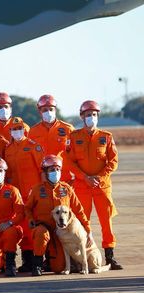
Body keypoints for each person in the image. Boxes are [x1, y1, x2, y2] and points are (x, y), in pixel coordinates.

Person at [64, 100, 122, 269]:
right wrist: (84, 177)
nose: (91, 118)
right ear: (82, 117)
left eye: (94, 115)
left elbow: (113, 161)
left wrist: (99, 177)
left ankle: (110, 256)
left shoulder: (106, 137)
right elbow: (69, 162)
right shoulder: (74, 137)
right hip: (82, 187)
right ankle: (80, 258)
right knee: (82, 222)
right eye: (88, 115)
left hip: (102, 187)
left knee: (106, 222)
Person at [25, 155, 92, 275]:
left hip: (62, 232)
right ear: (45, 172)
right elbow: (27, 208)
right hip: (45, 228)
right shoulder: (37, 189)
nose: (55, 172)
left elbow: (78, 210)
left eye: (57, 170)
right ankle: (38, 264)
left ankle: (54, 261)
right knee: (41, 233)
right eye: (52, 170)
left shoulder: (66, 189)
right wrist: (30, 219)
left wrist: (88, 230)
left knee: (59, 268)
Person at [4, 116, 44, 272]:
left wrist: (40, 192)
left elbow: (42, 171)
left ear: (25, 129)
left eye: (19, 128)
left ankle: (38, 260)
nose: (17, 131)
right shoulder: (8, 149)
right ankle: (26, 260)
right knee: (22, 228)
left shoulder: (34, 146)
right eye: (14, 129)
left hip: (32, 195)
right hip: (17, 197)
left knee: (34, 227)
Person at [28, 95, 75, 182]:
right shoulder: (32, 132)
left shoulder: (68, 129)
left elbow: (75, 154)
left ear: (55, 110)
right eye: (45, 110)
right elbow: (31, 157)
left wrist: (74, 174)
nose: (48, 112)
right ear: (39, 111)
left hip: (65, 177)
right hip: (42, 178)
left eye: (51, 109)